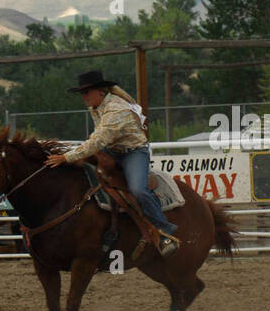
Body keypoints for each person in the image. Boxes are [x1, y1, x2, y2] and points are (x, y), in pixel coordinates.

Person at [45, 69, 179, 257]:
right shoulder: (96, 106)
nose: (83, 97)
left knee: (138, 190)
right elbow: (98, 139)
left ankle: (164, 230)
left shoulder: (117, 109)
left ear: (100, 91)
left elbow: (98, 140)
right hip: (111, 150)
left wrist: (66, 156)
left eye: (86, 92)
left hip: (133, 152)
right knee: (78, 170)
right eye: (82, 93)